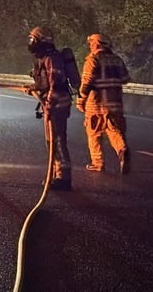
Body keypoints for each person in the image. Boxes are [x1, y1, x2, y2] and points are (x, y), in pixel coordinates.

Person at [26, 26, 76, 191]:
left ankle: (63, 178)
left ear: (40, 40)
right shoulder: (45, 57)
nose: (30, 42)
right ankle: (57, 175)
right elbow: (45, 82)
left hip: (57, 105)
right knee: (52, 141)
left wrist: (50, 103)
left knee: (58, 141)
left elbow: (56, 83)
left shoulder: (52, 58)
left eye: (33, 39)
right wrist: (33, 87)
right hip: (52, 104)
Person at [77, 33, 131, 174]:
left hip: (96, 104)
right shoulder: (117, 60)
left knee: (94, 134)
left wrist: (80, 100)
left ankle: (98, 163)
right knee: (115, 131)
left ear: (97, 44)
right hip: (115, 104)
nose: (90, 46)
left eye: (92, 43)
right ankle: (122, 150)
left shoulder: (92, 60)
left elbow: (86, 83)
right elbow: (125, 78)